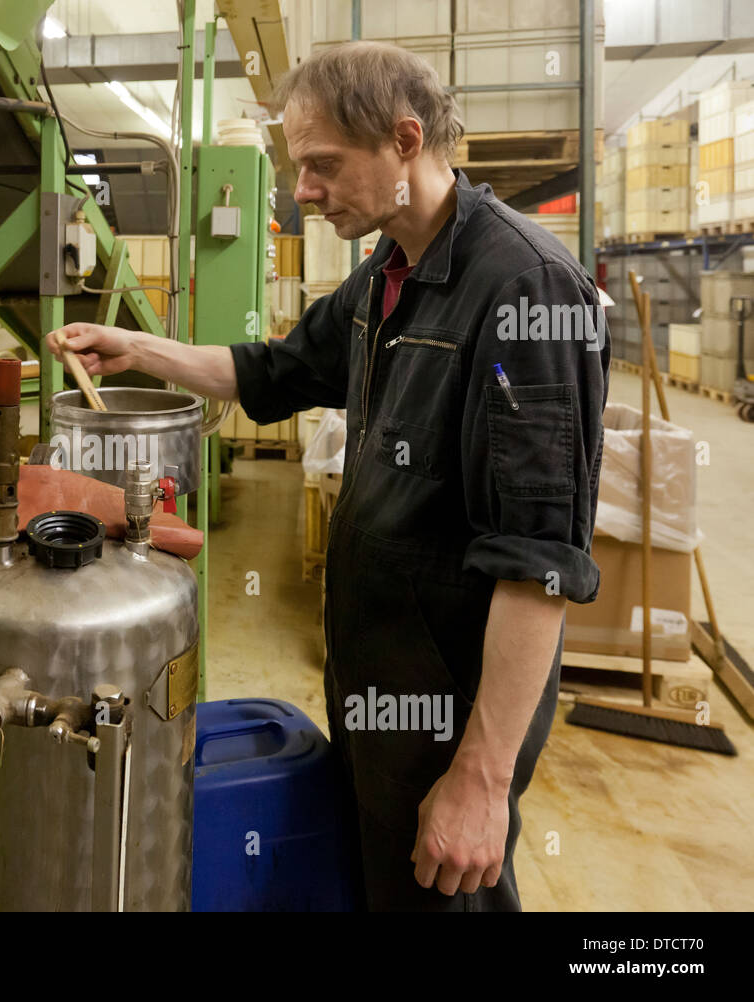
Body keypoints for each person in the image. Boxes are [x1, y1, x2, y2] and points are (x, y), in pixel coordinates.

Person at [44, 40, 610, 910]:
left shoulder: (525, 291)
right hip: (377, 685)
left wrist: (482, 780)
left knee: (446, 895)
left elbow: (536, 564)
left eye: (321, 166)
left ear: (406, 140)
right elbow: (267, 371)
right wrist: (133, 348)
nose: (302, 192)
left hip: (449, 714)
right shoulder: (386, 276)